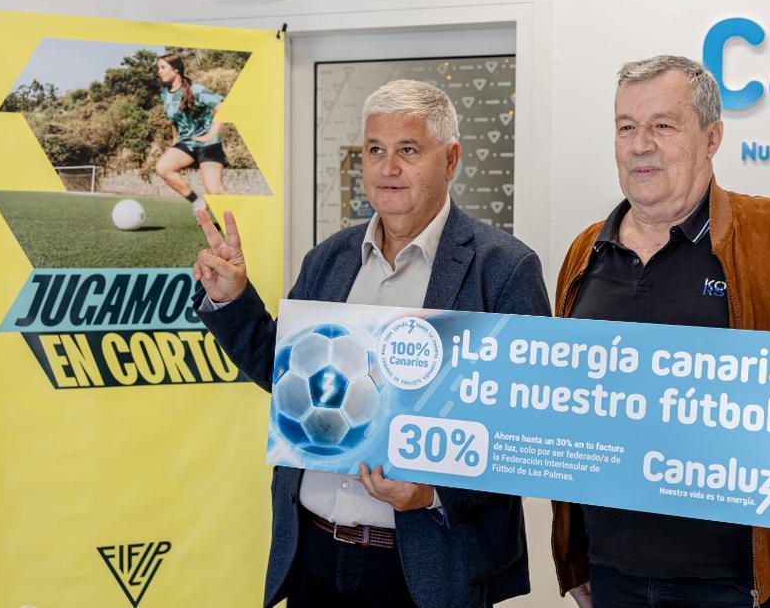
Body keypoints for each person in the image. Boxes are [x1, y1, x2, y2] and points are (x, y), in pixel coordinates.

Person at [550, 56, 770, 608]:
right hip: (615, 572)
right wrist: (574, 557)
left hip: (752, 582)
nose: (640, 144)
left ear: (712, 136)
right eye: (626, 126)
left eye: (663, 126)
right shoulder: (584, 252)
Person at [192, 79, 550, 608]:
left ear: (450, 160)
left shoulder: (503, 268)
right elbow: (287, 375)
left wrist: (434, 494)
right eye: (375, 151)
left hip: (422, 569)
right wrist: (234, 299)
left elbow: (529, 422)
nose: (388, 168)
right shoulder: (329, 259)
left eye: (408, 150)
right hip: (313, 552)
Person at [155, 53, 227, 210]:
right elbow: (173, 120)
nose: (159, 71)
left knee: (215, 192)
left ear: (175, 69)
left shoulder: (196, 90)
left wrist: (212, 133)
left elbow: (221, 106)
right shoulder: (165, 94)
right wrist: (175, 142)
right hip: (186, 144)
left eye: (162, 67)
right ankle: (198, 202)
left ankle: (239, 223)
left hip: (208, 145)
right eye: (158, 68)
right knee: (163, 167)